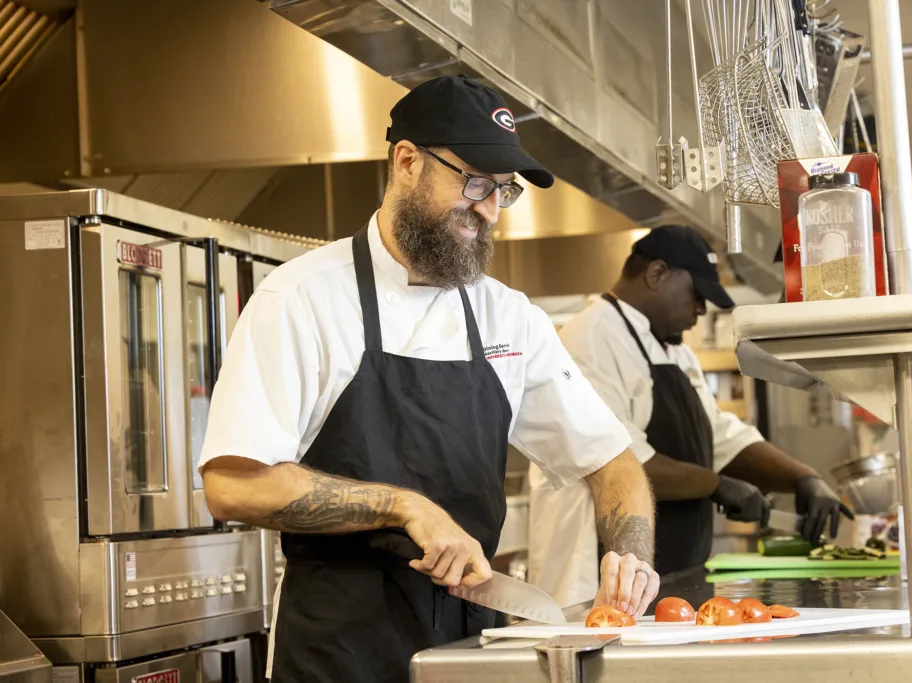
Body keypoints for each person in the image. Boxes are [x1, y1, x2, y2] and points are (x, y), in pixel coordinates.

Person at [197, 75, 659, 683]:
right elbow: (234, 486)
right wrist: (401, 507)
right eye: (474, 183)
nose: (490, 210)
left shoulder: (509, 317)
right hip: (338, 653)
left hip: (471, 650)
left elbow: (611, 461)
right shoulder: (300, 297)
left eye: (503, 191)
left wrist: (629, 554)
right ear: (407, 162)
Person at [528, 224, 851, 607]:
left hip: (670, 572)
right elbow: (621, 460)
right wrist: (716, 485)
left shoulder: (673, 348)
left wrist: (801, 478)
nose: (701, 310)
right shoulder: (590, 339)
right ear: (656, 274)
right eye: (697, 296)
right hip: (595, 581)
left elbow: (720, 434)